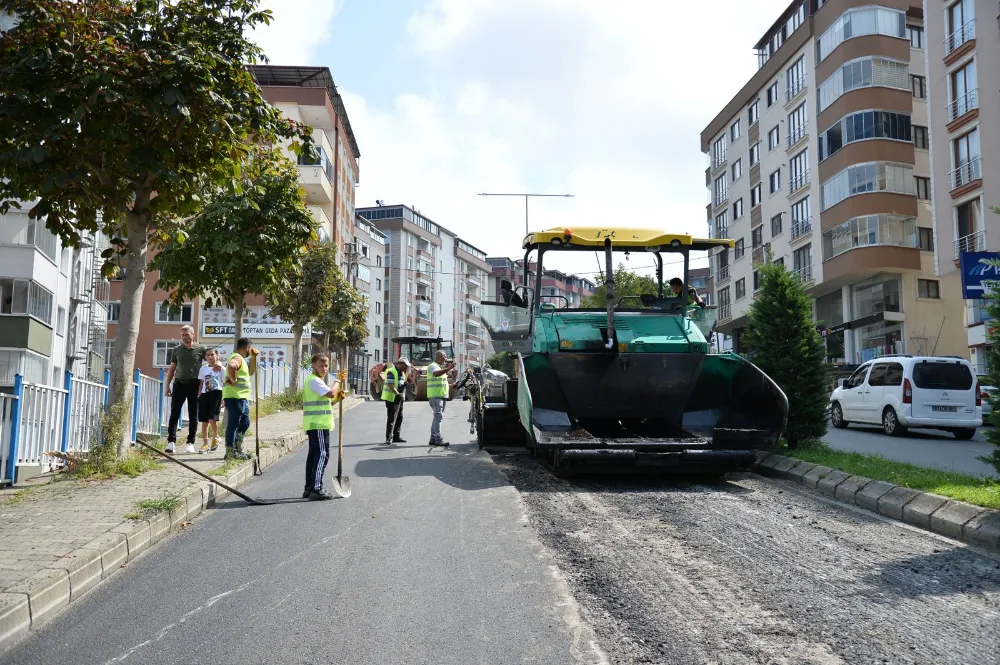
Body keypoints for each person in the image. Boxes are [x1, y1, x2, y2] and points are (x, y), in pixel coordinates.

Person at [301, 353, 345, 501]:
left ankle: (309, 488)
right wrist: (338, 381)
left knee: (313, 456)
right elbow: (331, 393)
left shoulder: (317, 381)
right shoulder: (314, 381)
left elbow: (329, 400)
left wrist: (339, 397)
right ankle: (316, 488)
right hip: (318, 424)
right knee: (322, 455)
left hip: (316, 423)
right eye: (320, 365)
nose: (324, 368)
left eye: (326, 365)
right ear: (313, 365)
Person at [164, 325, 206, 454]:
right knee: (175, 413)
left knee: (194, 414)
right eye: (182, 335)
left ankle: (190, 442)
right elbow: (172, 368)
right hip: (179, 384)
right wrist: (167, 386)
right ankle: (171, 442)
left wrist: (218, 366)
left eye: (187, 334)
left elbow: (211, 360)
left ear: (193, 335)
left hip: (195, 385)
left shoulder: (201, 348)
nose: (184, 337)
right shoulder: (177, 349)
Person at [222, 337, 258, 461]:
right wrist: (233, 379)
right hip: (234, 397)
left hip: (241, 397)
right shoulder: (237, 357)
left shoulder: (242, 359)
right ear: (247, 348)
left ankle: (237, 448)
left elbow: (251, 372)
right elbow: (232, 367)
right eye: (250, 349)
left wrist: (253, 358)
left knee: (245, 422)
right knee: (233, 424)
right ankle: (230, 452)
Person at [197, 348, 225, 453]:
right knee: (204, 420)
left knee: (212, 419)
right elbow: (201, 382)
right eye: (207, 355)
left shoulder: (221, 368)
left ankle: (215, 437)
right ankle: (205, 443)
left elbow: (225, 383)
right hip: (204, 394)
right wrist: (199, 393)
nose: (210, 357)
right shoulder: (203, 369)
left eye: (212, 355)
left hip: (216, 393)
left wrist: (224, 398)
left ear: (216, 356)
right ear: (205, 357)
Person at [426, 351, 456, 447]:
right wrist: (449, 368)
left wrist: (453, 385)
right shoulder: (433, 366)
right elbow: (435, 374)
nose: (445, 359)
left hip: (441, 395)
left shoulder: (439, 368)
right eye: (444, 357)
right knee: (438, 417)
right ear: (439, 356)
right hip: (436, 396)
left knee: (436, 417)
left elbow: (443, 383)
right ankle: (438, 439)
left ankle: (433, 438)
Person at [381, 357, 410, 445]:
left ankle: (396, 436)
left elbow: (400, 383)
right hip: (391, 398)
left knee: (399, 417)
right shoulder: (392, 371)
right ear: (400, 363)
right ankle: (388, 437)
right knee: (391, 418)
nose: (405, 367)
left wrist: (405, 384)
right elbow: (390, 385)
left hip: (398, 398)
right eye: (405, 365)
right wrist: (398, 394)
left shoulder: (402, 373)